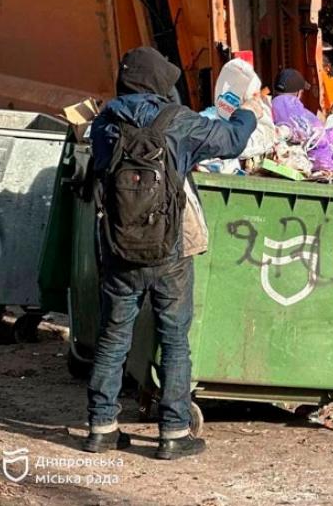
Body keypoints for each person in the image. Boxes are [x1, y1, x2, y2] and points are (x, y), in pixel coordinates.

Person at [84, 47, 259, 459]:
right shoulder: (178, 122)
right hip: (169, 250)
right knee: (174, 339)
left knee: (112, 336)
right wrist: (248, 110)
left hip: (119, 248)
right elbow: (233, 142)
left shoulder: (104, 124)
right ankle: (173, 433)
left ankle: (100, 427)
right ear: (160, 83)